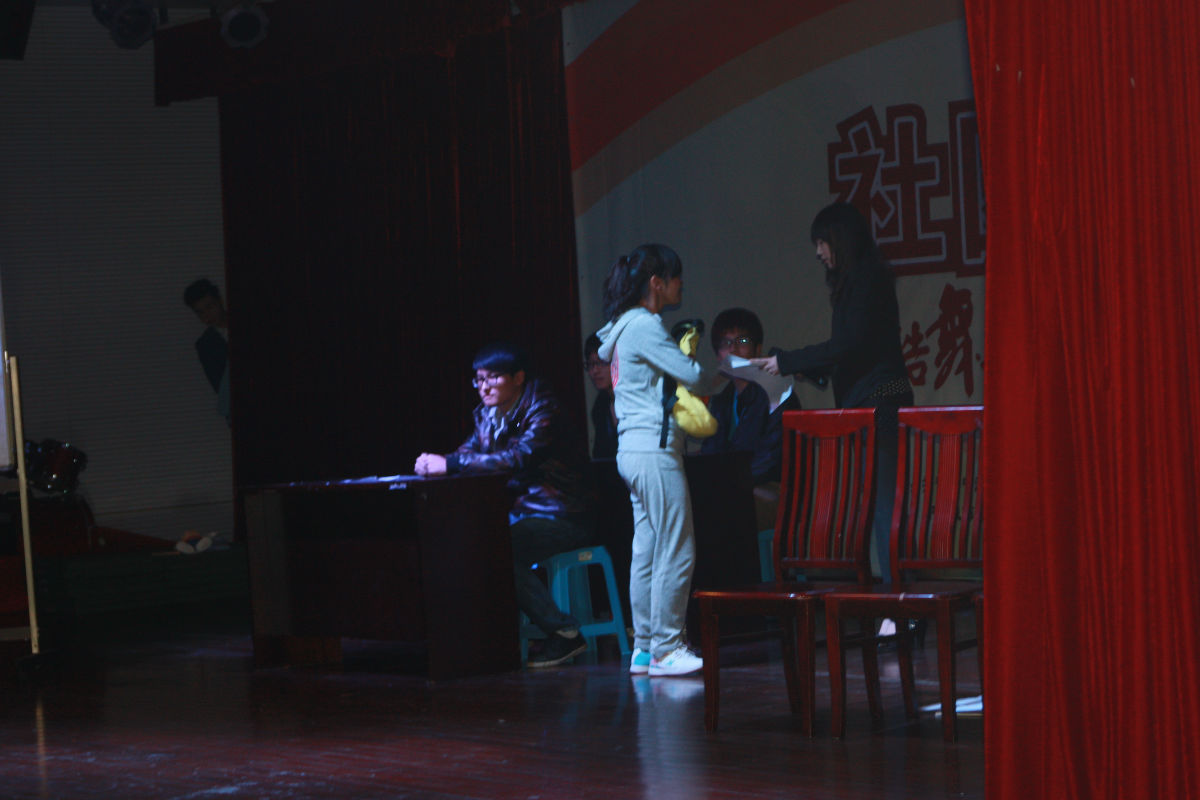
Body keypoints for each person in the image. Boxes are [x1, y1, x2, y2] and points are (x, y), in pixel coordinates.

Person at [750, 202, 913, 587]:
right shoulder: (858, 280)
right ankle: (897, 596)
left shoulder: (867, 279)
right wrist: (802, 366)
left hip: (880, 404)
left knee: (885, 507)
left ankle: (901, 598)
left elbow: (850, 345)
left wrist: (787, 361)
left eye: (822, 242)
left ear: (841, 239)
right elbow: (852, 349)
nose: (818, 252)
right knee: (879, 506)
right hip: (870, 403)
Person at [413, 342, 594, 668]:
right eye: (479, 379)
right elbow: (469, 453)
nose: (484, 387)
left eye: (492, 378)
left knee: (497, 548)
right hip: (521, 512)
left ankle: (564, 633)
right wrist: (438, 463)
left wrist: (450, 464)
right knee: (462, 543)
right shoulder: (487, 415)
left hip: (562, 514)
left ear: (518, 378)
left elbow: (518, 458)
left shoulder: (543, 410)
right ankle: (474, 641)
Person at [596, 244, 706, 678]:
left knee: (647, 549)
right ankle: (666, 647)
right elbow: (692, 375)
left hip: (632, 450)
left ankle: (644, 648)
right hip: (654, 452)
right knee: (677, 546)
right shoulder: (644, 324)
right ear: (656, 284)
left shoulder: (622, 327)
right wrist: (687, 353)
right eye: (676, 277)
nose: (681, 284)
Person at [700, 307, 801, 531]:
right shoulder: (722, 402)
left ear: (758, 350)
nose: (733, 349)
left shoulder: (778, 393)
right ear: (718, 356)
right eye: (725, 343)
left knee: (719, 509)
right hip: (735, 489)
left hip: (774, 492)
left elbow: (771, 460)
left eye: (742, 341)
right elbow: (710, 455)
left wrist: (728, 483)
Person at [183, 278, 230, 422]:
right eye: (200, 312)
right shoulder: (205, 345)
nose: (207, 316)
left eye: (210, 307)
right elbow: (219, 386)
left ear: (220, 301)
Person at [583, 333, 618, 460]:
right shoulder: (600, 405)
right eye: (590, 364)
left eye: (601, 363)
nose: (595, 371)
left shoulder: (633, 399)